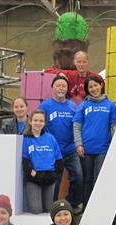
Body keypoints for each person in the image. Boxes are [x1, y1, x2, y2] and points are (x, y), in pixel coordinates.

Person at [38, 73, 84, 214]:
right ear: (52, 87)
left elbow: (78, 126)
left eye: (64, 85)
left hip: (70, 149)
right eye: (58, 85)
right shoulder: (45, 106)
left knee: (78, 176)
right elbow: (39, 125)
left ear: (67, 89)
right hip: (53, 151)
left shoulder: (73, 106)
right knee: (55, 181)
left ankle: (72, 204)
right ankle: (53, 208)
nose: (61, 88)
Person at [73, 76, 116, 208]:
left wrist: (115, 147)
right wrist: (78, 144)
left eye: (96, 85)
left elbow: (114, 127)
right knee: (87, 180)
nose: (94, 89)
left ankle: (99, 207)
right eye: (90, 87)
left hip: (103, 150)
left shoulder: (110, 105)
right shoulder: (83, 105)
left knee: (99, 180)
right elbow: (77, 125)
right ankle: (87, 208)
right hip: (86, 150)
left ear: (101, 85)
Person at [23, 109, 63, 214]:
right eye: (35, 120)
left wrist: (55, 174)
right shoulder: (25, 139)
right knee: (36, 210)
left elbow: (59, 159)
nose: (38, 123)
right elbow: (24, 159)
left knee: (49, 210)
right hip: (34, 178)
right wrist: (31, 171)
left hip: (49, 177)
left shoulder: (50, 138)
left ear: (45, 123)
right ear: (30, 121)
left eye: (41, 121)